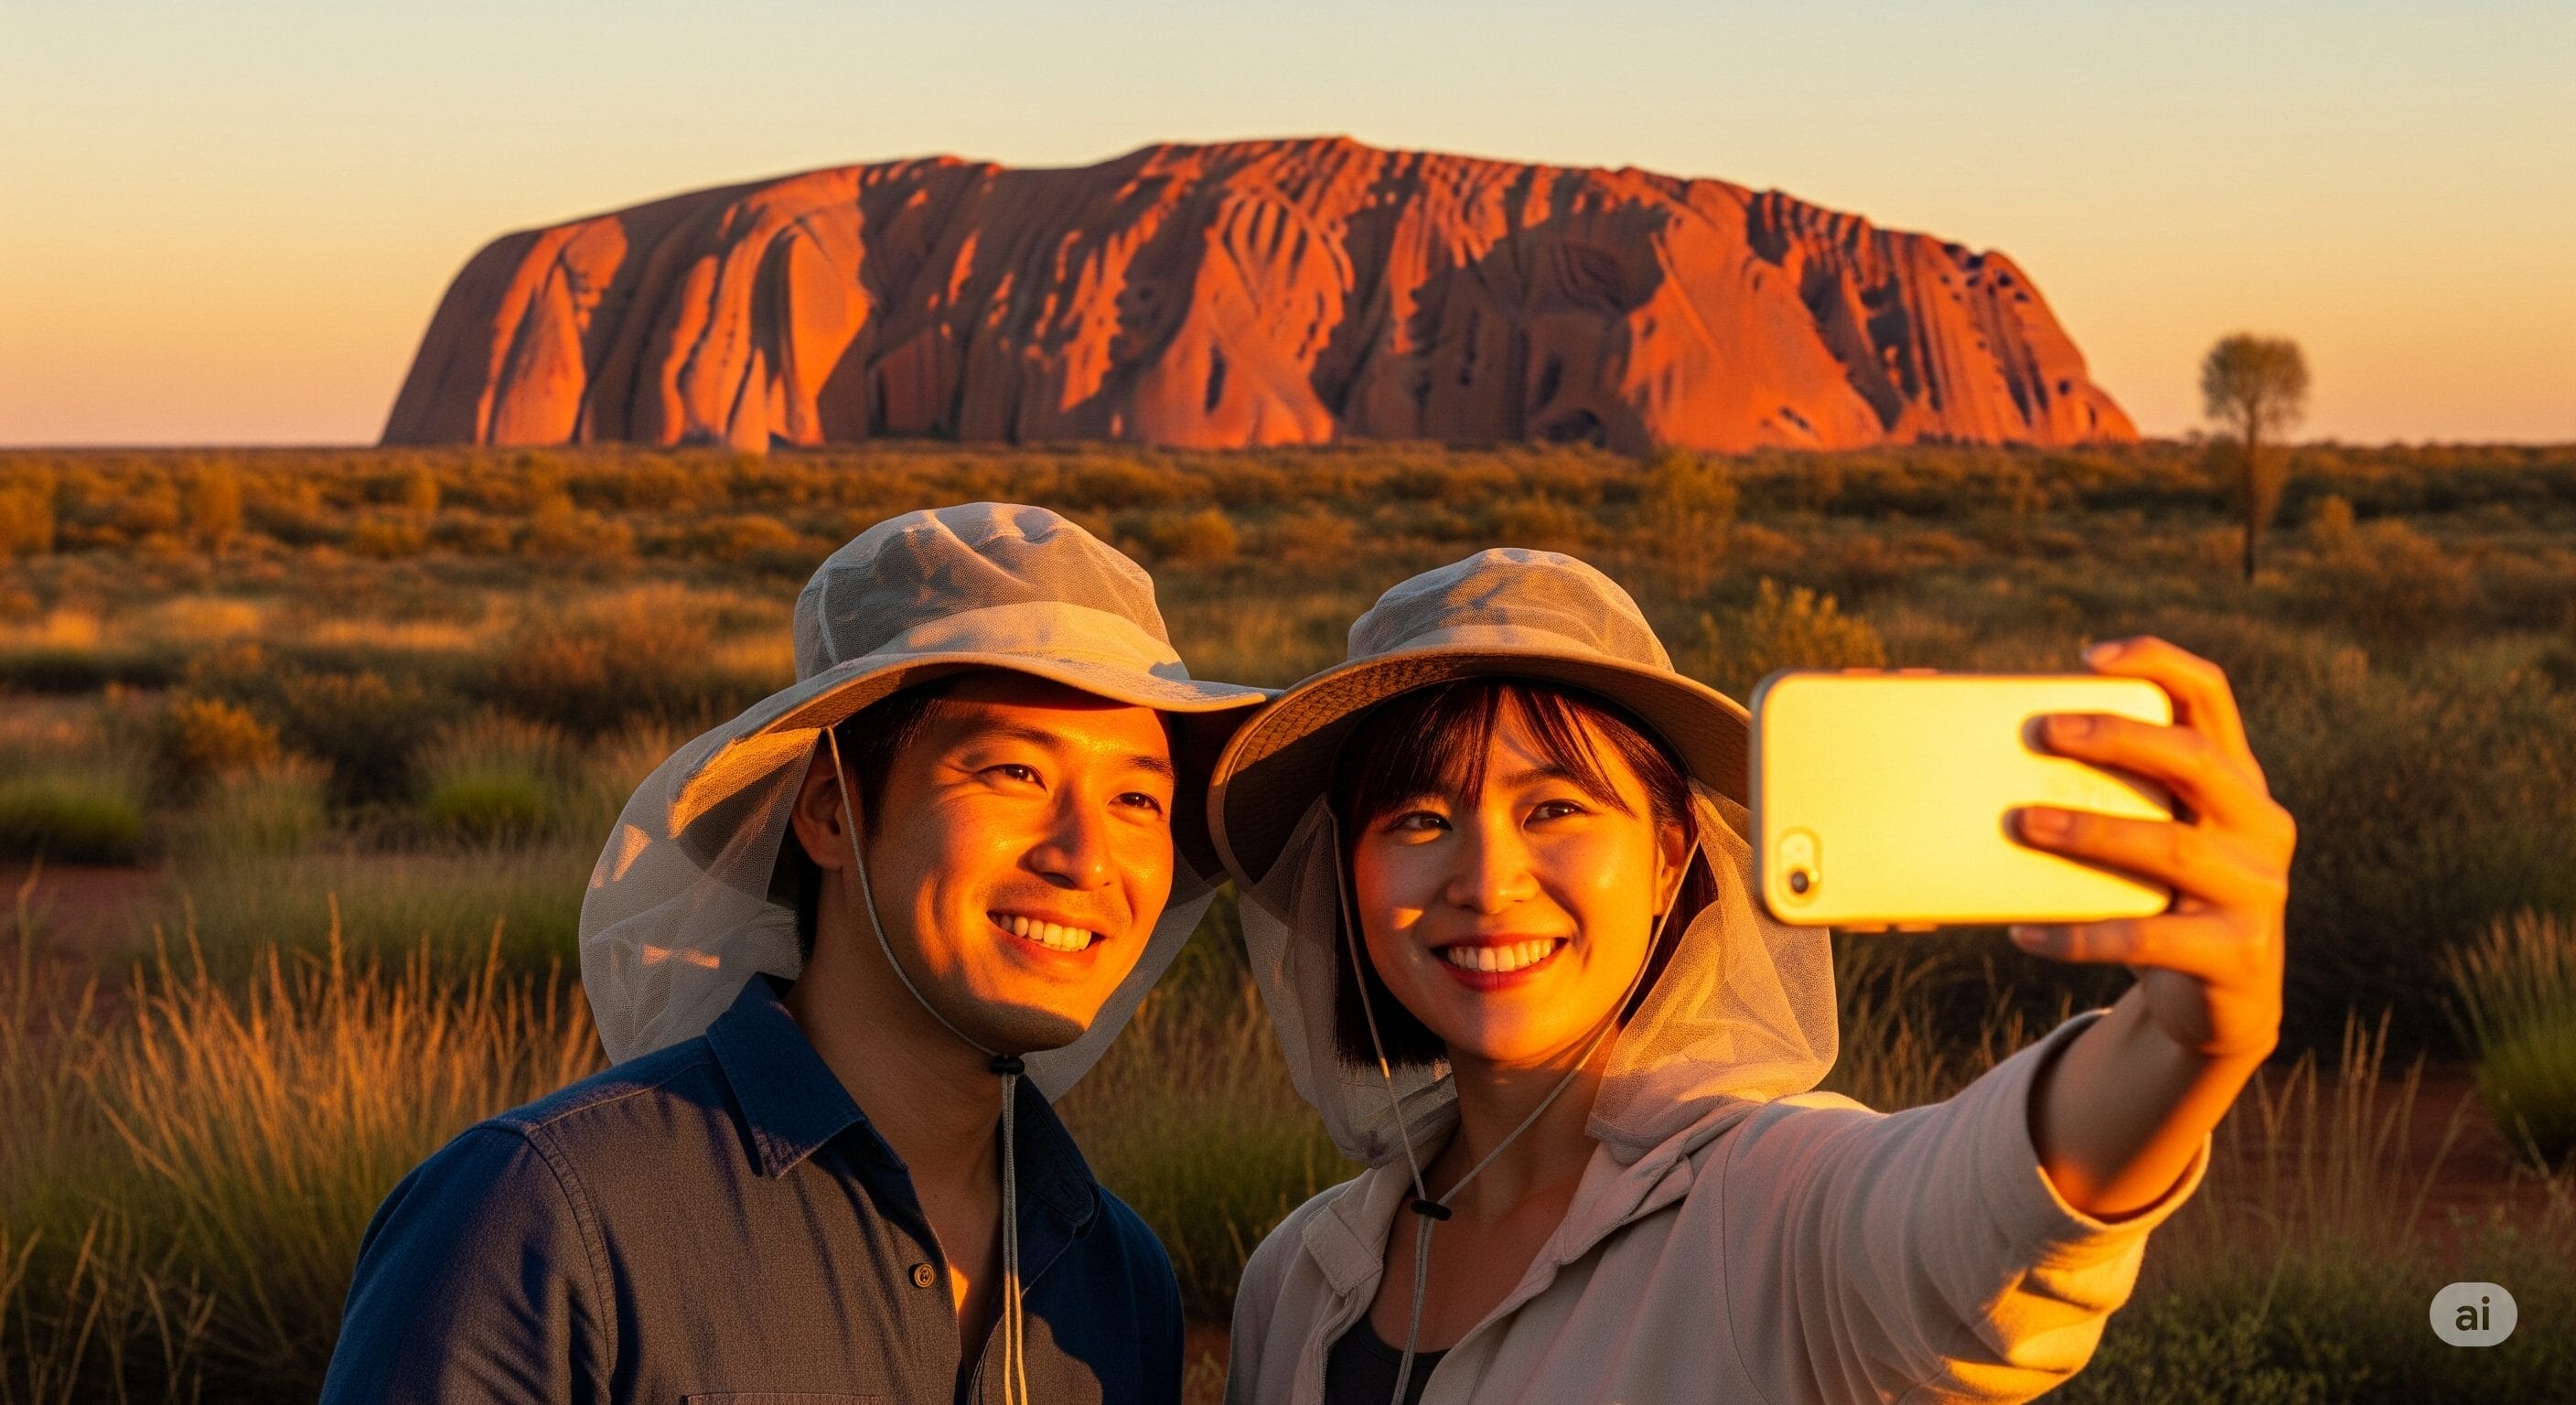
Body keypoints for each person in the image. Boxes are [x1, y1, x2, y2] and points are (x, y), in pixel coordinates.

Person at [1208, 548, 2293, 1405]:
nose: (1486, 882)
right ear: (1346, 876)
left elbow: (1977, 1214)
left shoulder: (1770, 1210)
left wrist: (2183, 1043)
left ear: (1667, 857)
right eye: (1418, 820)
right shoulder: (1296, 1279)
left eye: (1552, 810)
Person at [318, 503, 1269, 1405]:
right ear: (829, 811)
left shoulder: (1119, 1279)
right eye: (1013, 772)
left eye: (1136, 799)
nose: (1085, 858)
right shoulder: (543, 1216)